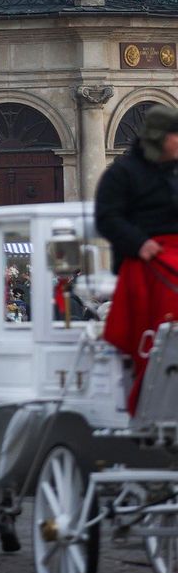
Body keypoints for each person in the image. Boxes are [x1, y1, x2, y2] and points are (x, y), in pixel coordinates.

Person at [96, 101, 178, 411]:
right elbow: (107, 217)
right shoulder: (123, 173)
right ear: (160, 138)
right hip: (146, 260)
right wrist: (139, 243)